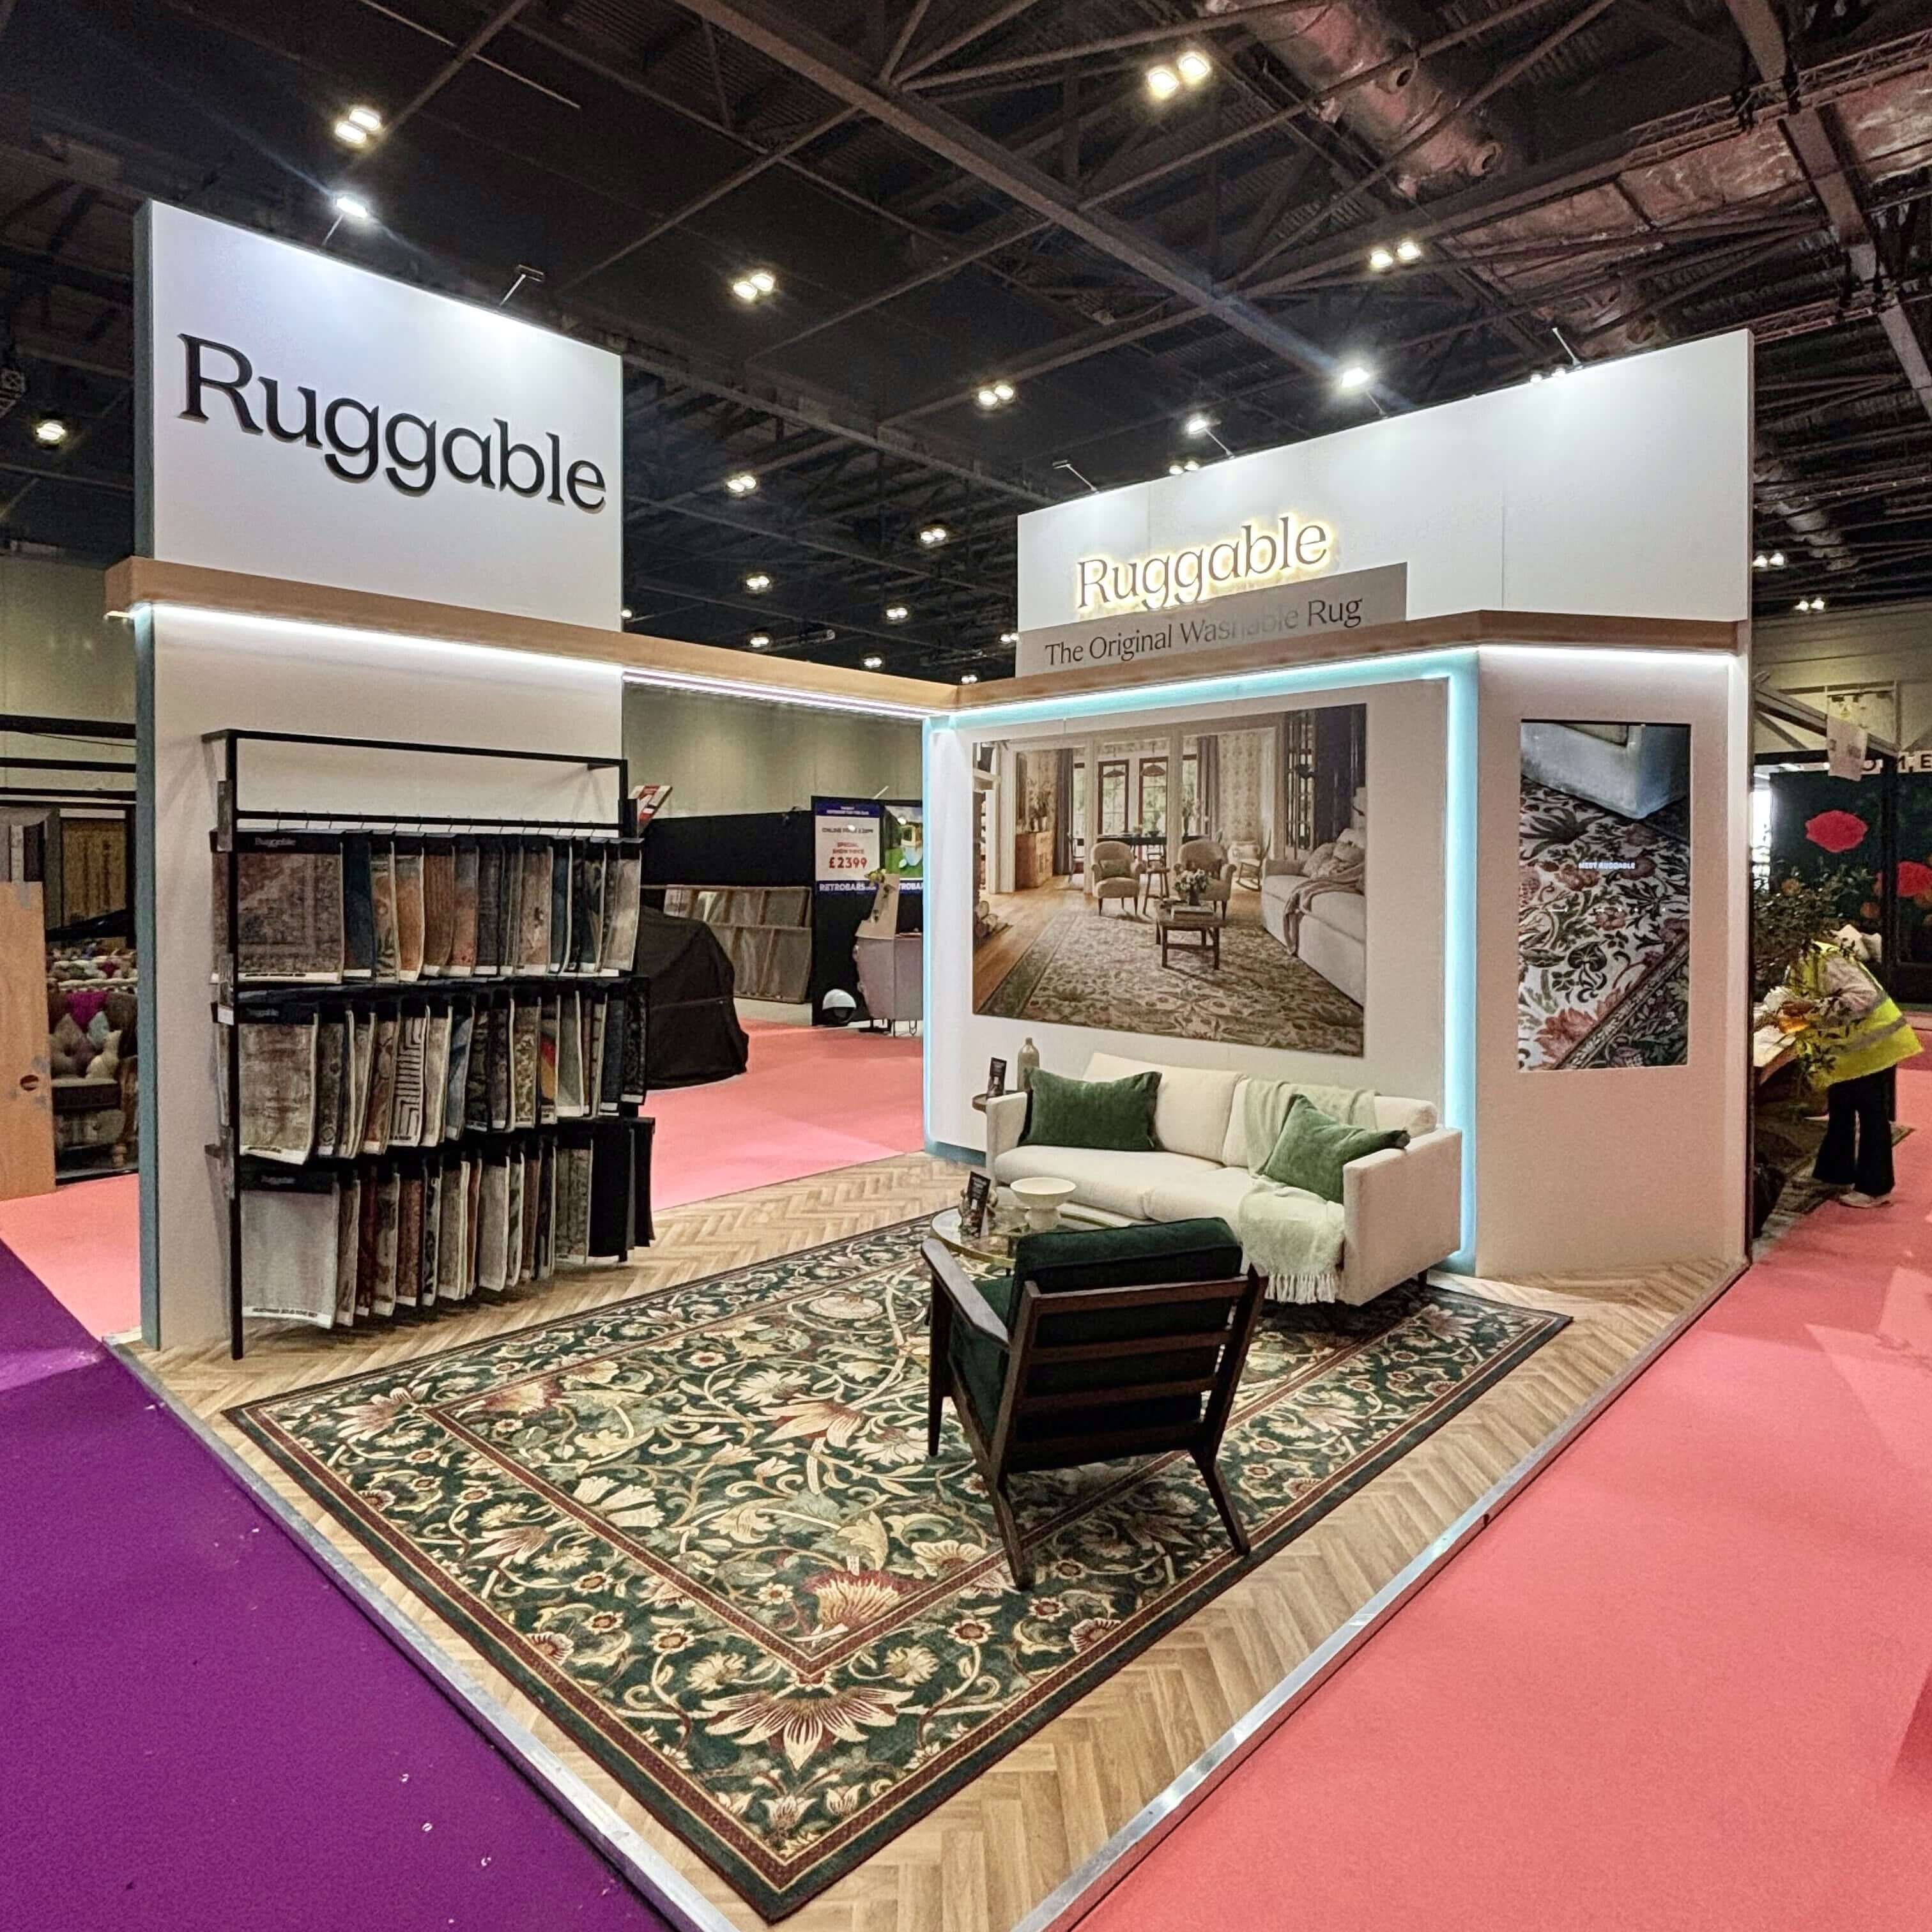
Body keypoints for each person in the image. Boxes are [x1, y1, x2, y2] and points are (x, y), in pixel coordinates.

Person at [1761, 929, 1922, 1207]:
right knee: (1841, 1108)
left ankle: (1875, 1187)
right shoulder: (1799, 964)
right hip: (1848, 1054)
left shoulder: (1826, 959)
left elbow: (1863, 997)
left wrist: (1812, 1007)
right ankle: (1835, 1174)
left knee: (1871, 1116)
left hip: (1873, 1047)